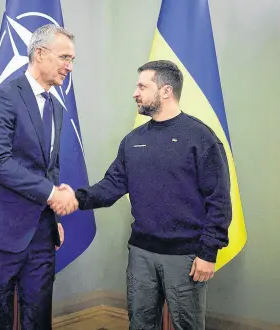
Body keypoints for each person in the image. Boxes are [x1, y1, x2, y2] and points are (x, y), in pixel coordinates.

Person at [52, 60, 232, 330]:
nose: (135, 93)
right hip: (141, 254)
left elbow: (219, 200)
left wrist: (209, 253)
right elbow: (111, 186)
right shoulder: (132, 141)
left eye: (142, 86)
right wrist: (76, 198)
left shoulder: (201, 138)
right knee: (141, 324)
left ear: (166, 91)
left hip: (186, 257)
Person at [0, 24, 78, 330]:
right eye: (64, 57)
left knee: (38, 317)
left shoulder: (56, 107)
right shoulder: (3, 97)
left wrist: (53, 215)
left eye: (72, 60)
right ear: (39, 54)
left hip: (41, 232)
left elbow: (49, 167)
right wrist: (53, 195)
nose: (69, 66)